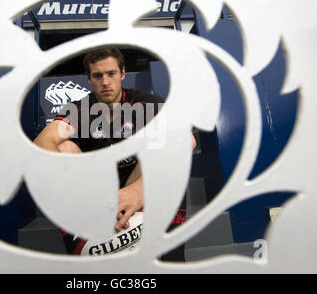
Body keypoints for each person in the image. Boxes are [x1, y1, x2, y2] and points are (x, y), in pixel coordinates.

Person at [33, 47, 196, 250]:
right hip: (97, 189)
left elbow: (186, 141)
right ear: (89, 79)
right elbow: (42, 142)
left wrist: (137, 191)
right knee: (63, 148)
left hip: (140, 182)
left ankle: (166, 248)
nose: (106, 82)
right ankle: (80, 232)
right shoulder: (79, 108)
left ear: (122, 74)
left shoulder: (145, 103)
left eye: (111, 74)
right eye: (98, 76)